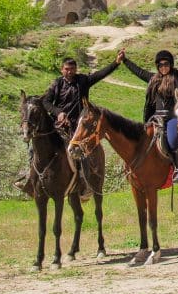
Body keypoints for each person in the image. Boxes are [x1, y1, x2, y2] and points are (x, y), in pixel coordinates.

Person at [18, 52, 123, 195]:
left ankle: (84, 182)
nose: (69, 72)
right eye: (67, 69)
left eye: (72, 69)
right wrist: (58, 112)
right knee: (35, 147)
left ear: (75, 69)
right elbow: (46, 102)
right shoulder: (57, 83)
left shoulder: (83, 81)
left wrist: (116, 63)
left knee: (81, 152)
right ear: (62, 70)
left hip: (78, 125)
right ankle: (30, 179)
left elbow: (100, 74)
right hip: (58, 126)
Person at [118, 47, 178, 182]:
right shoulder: (153, 79)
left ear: (170, 65)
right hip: (155, 118)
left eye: (166, 64)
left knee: (172, 140)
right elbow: (138, 71)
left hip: (172, 118)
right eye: (160, 65)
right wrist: (124, 60)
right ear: (157, 66)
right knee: (141, 140)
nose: (163, 67)